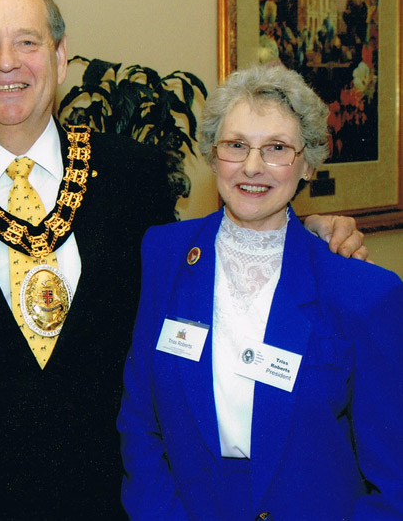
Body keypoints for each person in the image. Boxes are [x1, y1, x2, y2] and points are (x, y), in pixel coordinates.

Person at [0, 0, 369, 518]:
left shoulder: (132, 176)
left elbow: (206, 269)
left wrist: (306, 235)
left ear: (60, 58)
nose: (6, 63)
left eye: (28, 42)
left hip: (115, 504)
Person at [117, 64, 403, 519]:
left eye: (276, 148)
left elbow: (394, 483)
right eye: (236, 145)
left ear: (307, 161)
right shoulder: (165, 255)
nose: (252, 167)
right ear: (213, 156)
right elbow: (140, 420)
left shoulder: (363, 292)